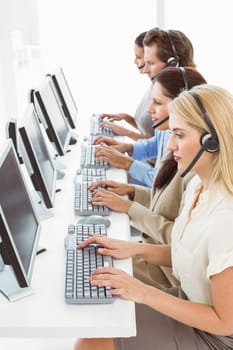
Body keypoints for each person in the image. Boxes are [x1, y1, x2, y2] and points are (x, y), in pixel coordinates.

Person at [75, 84, 233, 349]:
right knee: (97, 321)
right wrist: (131, 249)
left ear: (212, 142)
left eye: (180, 135)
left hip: (215, 334)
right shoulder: (198, 185)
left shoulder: (225, 218)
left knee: (91, 344)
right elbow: (189, 253)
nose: (170, 146)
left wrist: (143, 292)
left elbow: (224, 321)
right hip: (192, 299)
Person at [89, 67, 207, 289]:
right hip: (154, 255)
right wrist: (131, 192)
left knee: (92, 270)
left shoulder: (196, 173)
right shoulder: (177, 151)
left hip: (166, 275)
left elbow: (180, 241)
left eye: (158, 103)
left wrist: (129, 207)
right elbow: (166, 202)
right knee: (92, 256)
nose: (150, 110)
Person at [95, 28, 196, 187]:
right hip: (153, 182)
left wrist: (127, 163)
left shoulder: (187, 111)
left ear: (173, 64)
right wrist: (126, 147)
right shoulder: (168, 99)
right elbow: (159, 142)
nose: (144, 69)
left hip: (157, 191)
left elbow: (166, 186)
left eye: (150, 63)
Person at [98, 30, 155, 141]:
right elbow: (147, 129)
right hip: (143, 155)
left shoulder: (164, 93)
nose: (135, 61)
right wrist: (125, 117)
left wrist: (126, 132)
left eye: (139, 57)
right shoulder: (153, 86)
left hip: (149, 158)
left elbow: (158, 146)